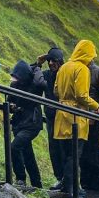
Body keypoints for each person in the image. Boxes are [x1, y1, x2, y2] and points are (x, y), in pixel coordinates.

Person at [52, 39, 99, 197]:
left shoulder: (64, 67)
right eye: (91, 56)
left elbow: (56, 91)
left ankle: (67, 185)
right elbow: (82, 95)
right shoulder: (82, 69)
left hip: (61, 113)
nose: (92, 59)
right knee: (75, 154)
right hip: (76, 115)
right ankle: (72, 189)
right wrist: (96, 106)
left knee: (66, 153)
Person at [7, 59, 46, 187]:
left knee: (14, 147)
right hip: (19, 122)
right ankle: (37, 183)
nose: (15, 78)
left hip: (31, 123)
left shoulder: (34, 85)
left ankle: (20, 178)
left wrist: (36, 68)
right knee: (27, 153)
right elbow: (9, 101)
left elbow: (40, 83)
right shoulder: (14, 86)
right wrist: (12, 106)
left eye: (17, 76)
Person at [36, 47, 65, 188]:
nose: (51, 63)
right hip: (51, 117)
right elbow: (33, 79)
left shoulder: (66, 74)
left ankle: (69, 180)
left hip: (65, 117)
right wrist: (37, 64)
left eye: (54, 60)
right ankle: (60, 178)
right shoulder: (46, 75)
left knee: (65, 148)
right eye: (49, 61)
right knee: (54, 148)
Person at [81, 60, 99, 190]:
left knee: (95, 153)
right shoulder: (79, 69)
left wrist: (95, 114)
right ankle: (85, 182)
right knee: (83, 152)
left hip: (95, 120)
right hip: (82, 118)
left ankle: (96, 182)